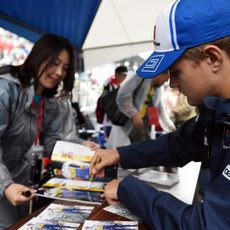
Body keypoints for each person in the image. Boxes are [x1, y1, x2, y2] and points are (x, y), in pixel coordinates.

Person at [90, 0, 230, 229]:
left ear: (213, 58)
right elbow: (179, 143)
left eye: (176, 72)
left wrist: (129, 189)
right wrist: (119, 154)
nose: (172, 84)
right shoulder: (216, 110)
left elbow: (205, 225)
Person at [0, 33, 95, 229]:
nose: (59, 72)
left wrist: (82, 147)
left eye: (65, 68)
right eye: (54, 63)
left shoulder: (49, 101)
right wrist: (6, 185)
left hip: (19, 180)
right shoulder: (6, 90)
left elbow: (53, 144)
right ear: (39, 56)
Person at [95, 65, 128, 138]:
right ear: (117, 74)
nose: (125, 78)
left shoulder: (123, 87)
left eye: (126, 76)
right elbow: (104, 102)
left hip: (119, 120)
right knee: (110, 142)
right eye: (123, 75)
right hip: (109, 121)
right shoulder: (108, 87)